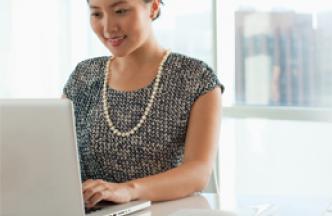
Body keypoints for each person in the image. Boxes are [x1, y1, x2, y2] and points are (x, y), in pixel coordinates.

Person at [62, 0, 224, 208]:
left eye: (120, 11)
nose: (108, 27)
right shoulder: (83, 76)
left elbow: (198, 172)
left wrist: (128, 190)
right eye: (97, 14)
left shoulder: (195, 78)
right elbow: (54, 152)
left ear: (154, 7)